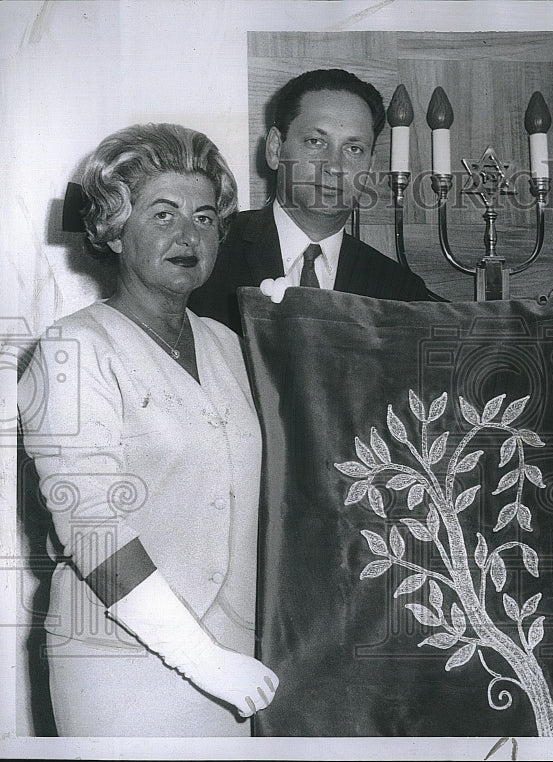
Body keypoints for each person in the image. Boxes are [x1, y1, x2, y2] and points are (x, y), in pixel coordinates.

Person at [18, 123, 279, 736]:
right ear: (113, 227)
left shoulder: (231, 346)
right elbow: (93, 527)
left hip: (235, 661)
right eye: (163, 214)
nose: (189, 234)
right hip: (120, 664)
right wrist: (202, 660)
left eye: (206, 217)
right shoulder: (71, 351)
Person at [189, 68, 427, 332]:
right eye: (315, 141)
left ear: (369, 166)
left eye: (354, 149)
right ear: (275, 149)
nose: (334, 166)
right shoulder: (207, 250)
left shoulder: (400, 291)